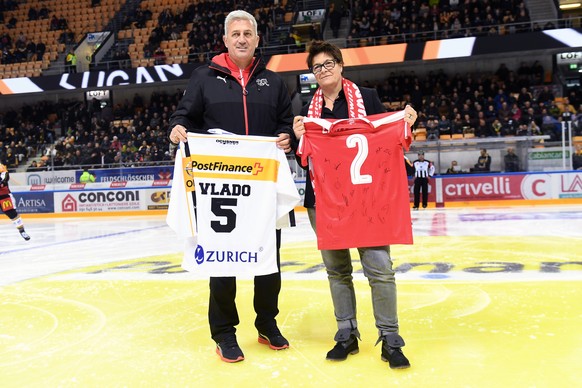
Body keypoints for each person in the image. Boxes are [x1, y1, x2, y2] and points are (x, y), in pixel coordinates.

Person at [168, 10, 295, 364]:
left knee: (268, 261)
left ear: (257, 40)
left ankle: (267, 322)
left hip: (263, 188)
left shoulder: (273, 82)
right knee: (222, 259)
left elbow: (288, 125)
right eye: (235, 33)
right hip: (220, 190)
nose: (241, 38)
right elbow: (184, 115)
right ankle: (224, 332)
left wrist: (288, 139)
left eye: (248, 33)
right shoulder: (204, 78)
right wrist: (177, 128)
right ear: (225, 40)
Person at [292, 41, 417, 369]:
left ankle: (390, 338)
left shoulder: (368, 97)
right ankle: (346, 333)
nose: (324, 71)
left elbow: (385, 141)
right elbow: (306, 163)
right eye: (317, 67)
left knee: (380, 268)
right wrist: (297, 138)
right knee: (337, 270)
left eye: (329, 64)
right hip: (324, 201)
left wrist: (406, 121)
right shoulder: (308, 109)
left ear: (341, 65)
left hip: (366, 200)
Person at [0, 163, 31, 241]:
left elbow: (3, 181)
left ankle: (22, 231)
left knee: (12, 214)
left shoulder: (3, 172)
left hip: (4, 196)